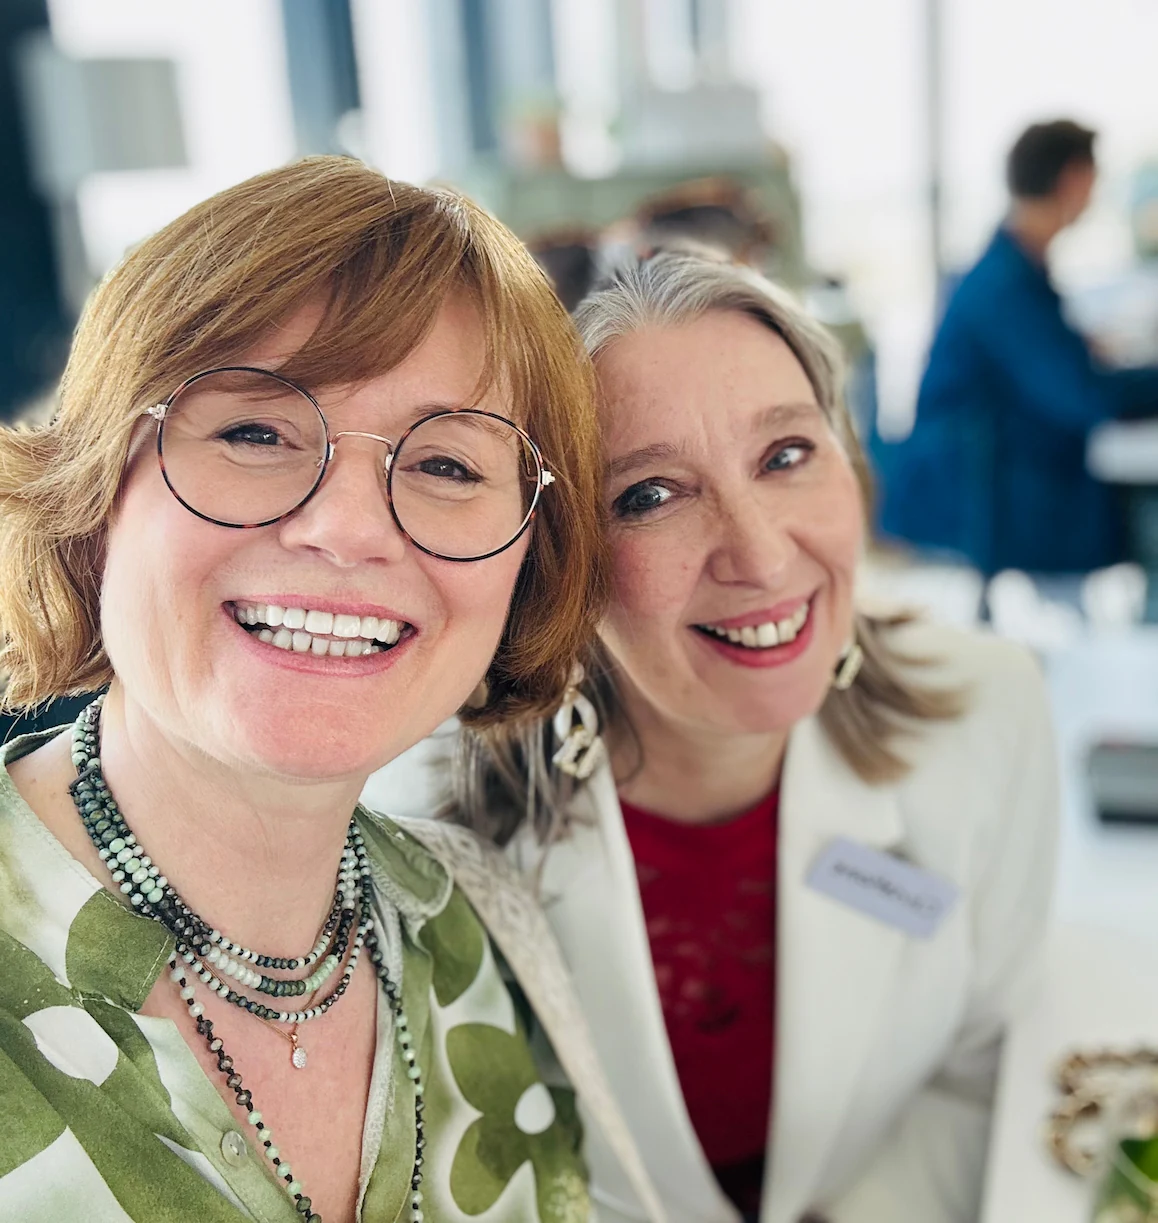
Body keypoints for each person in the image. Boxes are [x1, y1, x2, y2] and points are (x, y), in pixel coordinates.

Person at [0, 156, 651, 1223]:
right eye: (254, 431)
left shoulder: (473, 927)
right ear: (96, 490)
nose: (350, 527)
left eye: (447, 465)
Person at [365, 248, 1060, 1223]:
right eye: (650, 493)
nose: (763, 553)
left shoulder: (989, 711)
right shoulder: (417, 811)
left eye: (785, 455)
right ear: (562, 559)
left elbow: (978, 1062)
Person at [879, 119, 1158, 574]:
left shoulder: (1013, 266)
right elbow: (1087, 396)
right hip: (992, 495)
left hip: (993, 481)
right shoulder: (1005, 284)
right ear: (1073, 178)